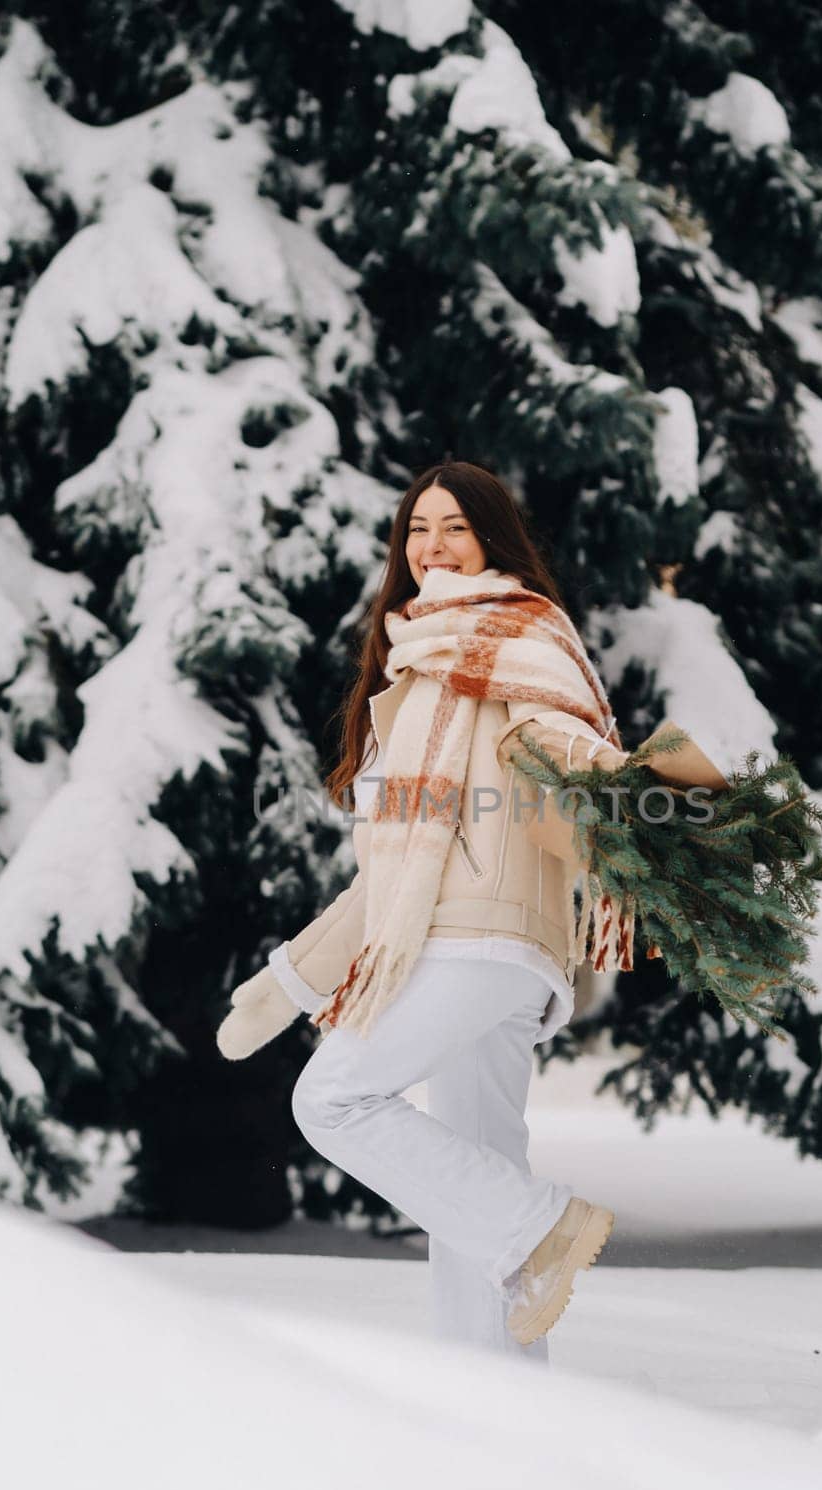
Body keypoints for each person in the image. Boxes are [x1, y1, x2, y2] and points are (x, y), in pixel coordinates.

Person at [219, 460, 643, 1365]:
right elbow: (389, 875)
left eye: (455, 527)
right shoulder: (414, 665)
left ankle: (543, 1228)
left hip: (483, 940)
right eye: (418, 528)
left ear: (493, 538)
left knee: (333, 1099)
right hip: (457, 944)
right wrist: (289, 981)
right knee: (468, 1170)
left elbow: (564, 744)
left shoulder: (521, 635)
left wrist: (638, 804)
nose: (432, 546)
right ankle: (495, 1393)